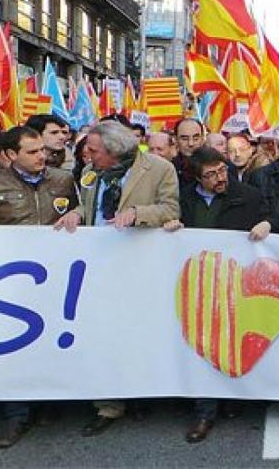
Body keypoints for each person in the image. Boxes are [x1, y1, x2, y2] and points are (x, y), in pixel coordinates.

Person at [52, 120, 180, 436]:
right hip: (98, 265)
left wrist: (138, 213)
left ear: (114, 150)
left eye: (94, 150)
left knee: (136, 331)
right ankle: (107, 404)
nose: (87, 155)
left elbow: (170, 209)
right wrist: (76, 214)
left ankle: (140, 394)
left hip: (138, 265)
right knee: (100, 332)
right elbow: (87, 207)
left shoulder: (160, 168)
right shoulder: (88, 173)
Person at [162, 146, 270, 443]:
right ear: (196, 178)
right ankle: (205, 410)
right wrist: (170, 227)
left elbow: (273, 221)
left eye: (222, 170)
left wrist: (267, 224)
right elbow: (168, 221)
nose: (220, 178)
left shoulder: (247, 196)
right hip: (194, 283)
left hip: (234, 284)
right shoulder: (183, 199)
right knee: (201, 345)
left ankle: (232, 398)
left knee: (231, 342)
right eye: (211, 175)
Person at [0, 126, 78, 449]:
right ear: (9, 155)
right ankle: (16, 414)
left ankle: (49, 403)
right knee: (15, 348)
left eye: (42, 150)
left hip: (57, 278)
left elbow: (81, 217)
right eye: (32, 152)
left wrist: (77, 213)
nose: (43, 156)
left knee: (53, 340)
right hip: (11, 285)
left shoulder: (62, 180)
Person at [172, 118, 206, 187]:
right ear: (175, 140)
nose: (191, 143)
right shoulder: (169, 169)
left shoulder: (216, 166)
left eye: (196, 138)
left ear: (202, 139)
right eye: (185, 139)